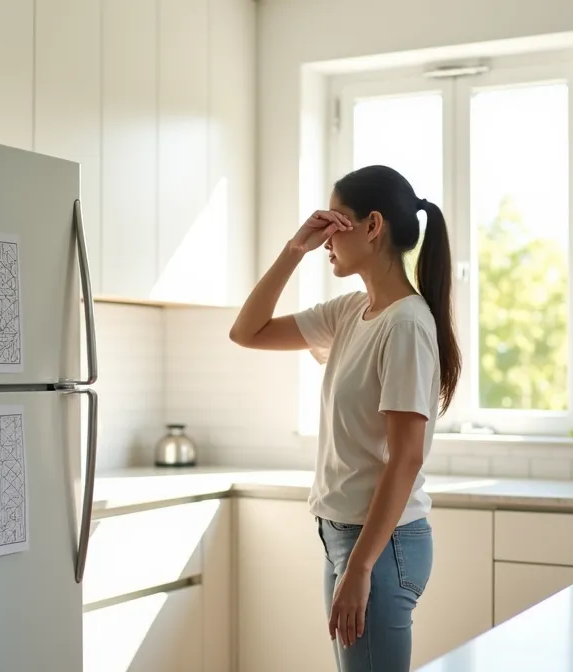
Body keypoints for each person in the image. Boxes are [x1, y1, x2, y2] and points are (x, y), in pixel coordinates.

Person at [229, 165, 461, 671]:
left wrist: (359, 568)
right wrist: (295, 249)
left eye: (336, 223)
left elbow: (406, 459)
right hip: (344, 537)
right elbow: (247, 332)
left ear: (372, 226)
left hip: (379, 546)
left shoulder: (405, 325)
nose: (326, 239)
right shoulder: (352, 312)